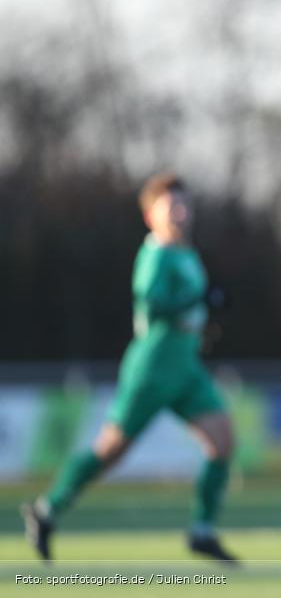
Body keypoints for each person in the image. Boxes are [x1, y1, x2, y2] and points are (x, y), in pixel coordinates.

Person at [21, 173, 238, 564]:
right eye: (172, 206)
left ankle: (202, 532)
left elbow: (187, 306)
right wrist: (197, 297)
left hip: (184, 366)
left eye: (185, 204)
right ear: (149, 215)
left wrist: (203, 318)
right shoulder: (155, 254)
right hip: (152, 368)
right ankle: (45, 511)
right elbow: (153, 304)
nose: (182, 212)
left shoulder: (186, 253)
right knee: (109, 452)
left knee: (222, 440)